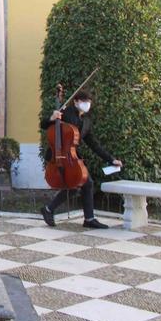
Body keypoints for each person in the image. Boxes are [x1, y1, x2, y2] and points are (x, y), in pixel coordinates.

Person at [39, 89, 122, 229]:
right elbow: (44, 125)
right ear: (76, 101)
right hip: (59, 155)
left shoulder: (86, 121)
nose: (86, 104)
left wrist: (111, 159)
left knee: (80, 184)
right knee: (81, 183)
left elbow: (93, 144)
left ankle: (51, 210)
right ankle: (86, 218)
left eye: (88, 102)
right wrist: (51, 118)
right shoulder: (65, 113)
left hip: (71, 157)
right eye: (83, 101)